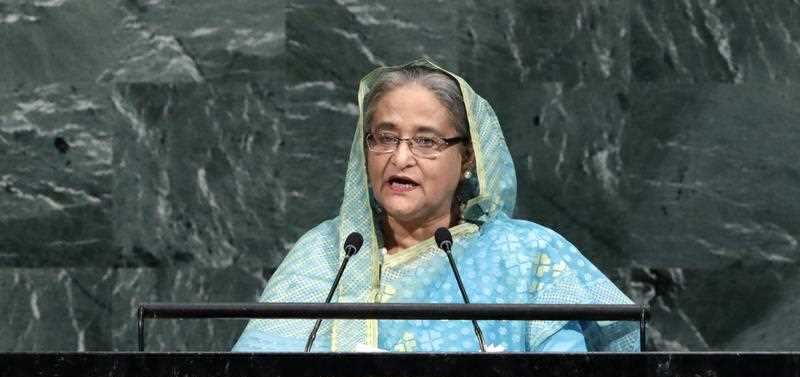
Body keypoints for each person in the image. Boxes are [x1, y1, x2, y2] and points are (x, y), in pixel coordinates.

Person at [232, 59, 639, 353]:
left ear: (467, 159)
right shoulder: (327, 252)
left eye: (426, 141)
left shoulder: (527, 256)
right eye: (385, 137)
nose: (400, 158)